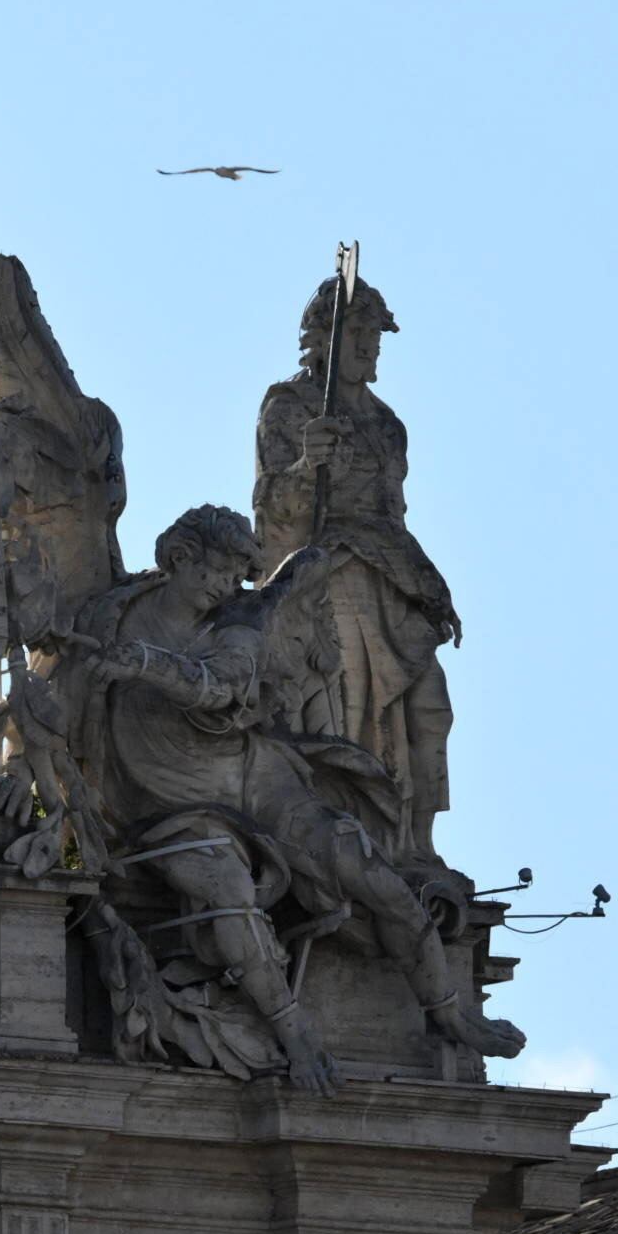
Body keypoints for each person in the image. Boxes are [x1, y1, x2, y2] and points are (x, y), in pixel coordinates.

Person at [68, 506, 520, 1084]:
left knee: (363, 863)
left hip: (257, 777)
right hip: (168, 805)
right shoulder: (112, 614)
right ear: (179, 559)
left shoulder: (236, 621)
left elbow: (222, 686)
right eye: (217, 573)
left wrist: (145, 665)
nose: (226, 589)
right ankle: (296, 1037)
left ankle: (448, 1012)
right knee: (230, 895)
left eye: (236, 578)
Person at [250, 275, 458, 863]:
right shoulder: (290, 407)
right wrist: (303, 465)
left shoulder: (388, 425)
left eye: (375, 335)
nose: (369, 346)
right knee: (353, 710)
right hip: (329, 573)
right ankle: (359, 837)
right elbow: (271, 510)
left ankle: (419, 844)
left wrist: (431, 589)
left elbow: (396, 516)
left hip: (390, 576)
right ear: (322, 338)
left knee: (430, 708)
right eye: (358, 333)